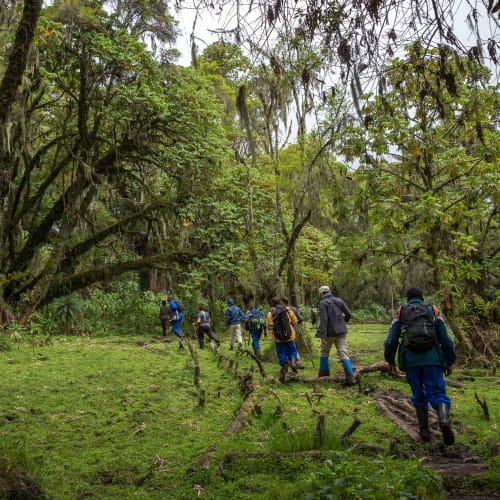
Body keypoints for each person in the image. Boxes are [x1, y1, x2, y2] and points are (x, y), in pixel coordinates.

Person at [384, 287, 456, 445]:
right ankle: (444, 420)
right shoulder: (434, 310)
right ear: (422, 298)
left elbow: (391, 339)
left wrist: (390, 360)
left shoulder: (401, 311)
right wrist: (450, 360)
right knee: (437, 393)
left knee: (418, 394)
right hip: (433, 359)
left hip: (411, 360)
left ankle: (424, 432)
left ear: (407, 298)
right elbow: (445, 338)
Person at [316, 285, 356, 385]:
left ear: (321, 294)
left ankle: (324, 375)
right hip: (341, 331)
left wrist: (322, 335)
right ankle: (350, 377)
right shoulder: (339, 300)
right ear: (329, 291)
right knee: (343, 353)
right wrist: (343, 322)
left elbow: (324, 320)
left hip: (329, 333)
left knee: (324, 353)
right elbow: (349, 313)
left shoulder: (322, 303)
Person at [266, 297, 299, 382]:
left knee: (281, 352)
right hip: (289, 336)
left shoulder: (270, 313)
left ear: (272, 304)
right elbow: (295, 321)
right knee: (292, 350)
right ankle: (293, 362)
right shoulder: (287, 310)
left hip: (278, 338)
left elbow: (269, 327)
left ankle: (284, 367)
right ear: (280, 302)